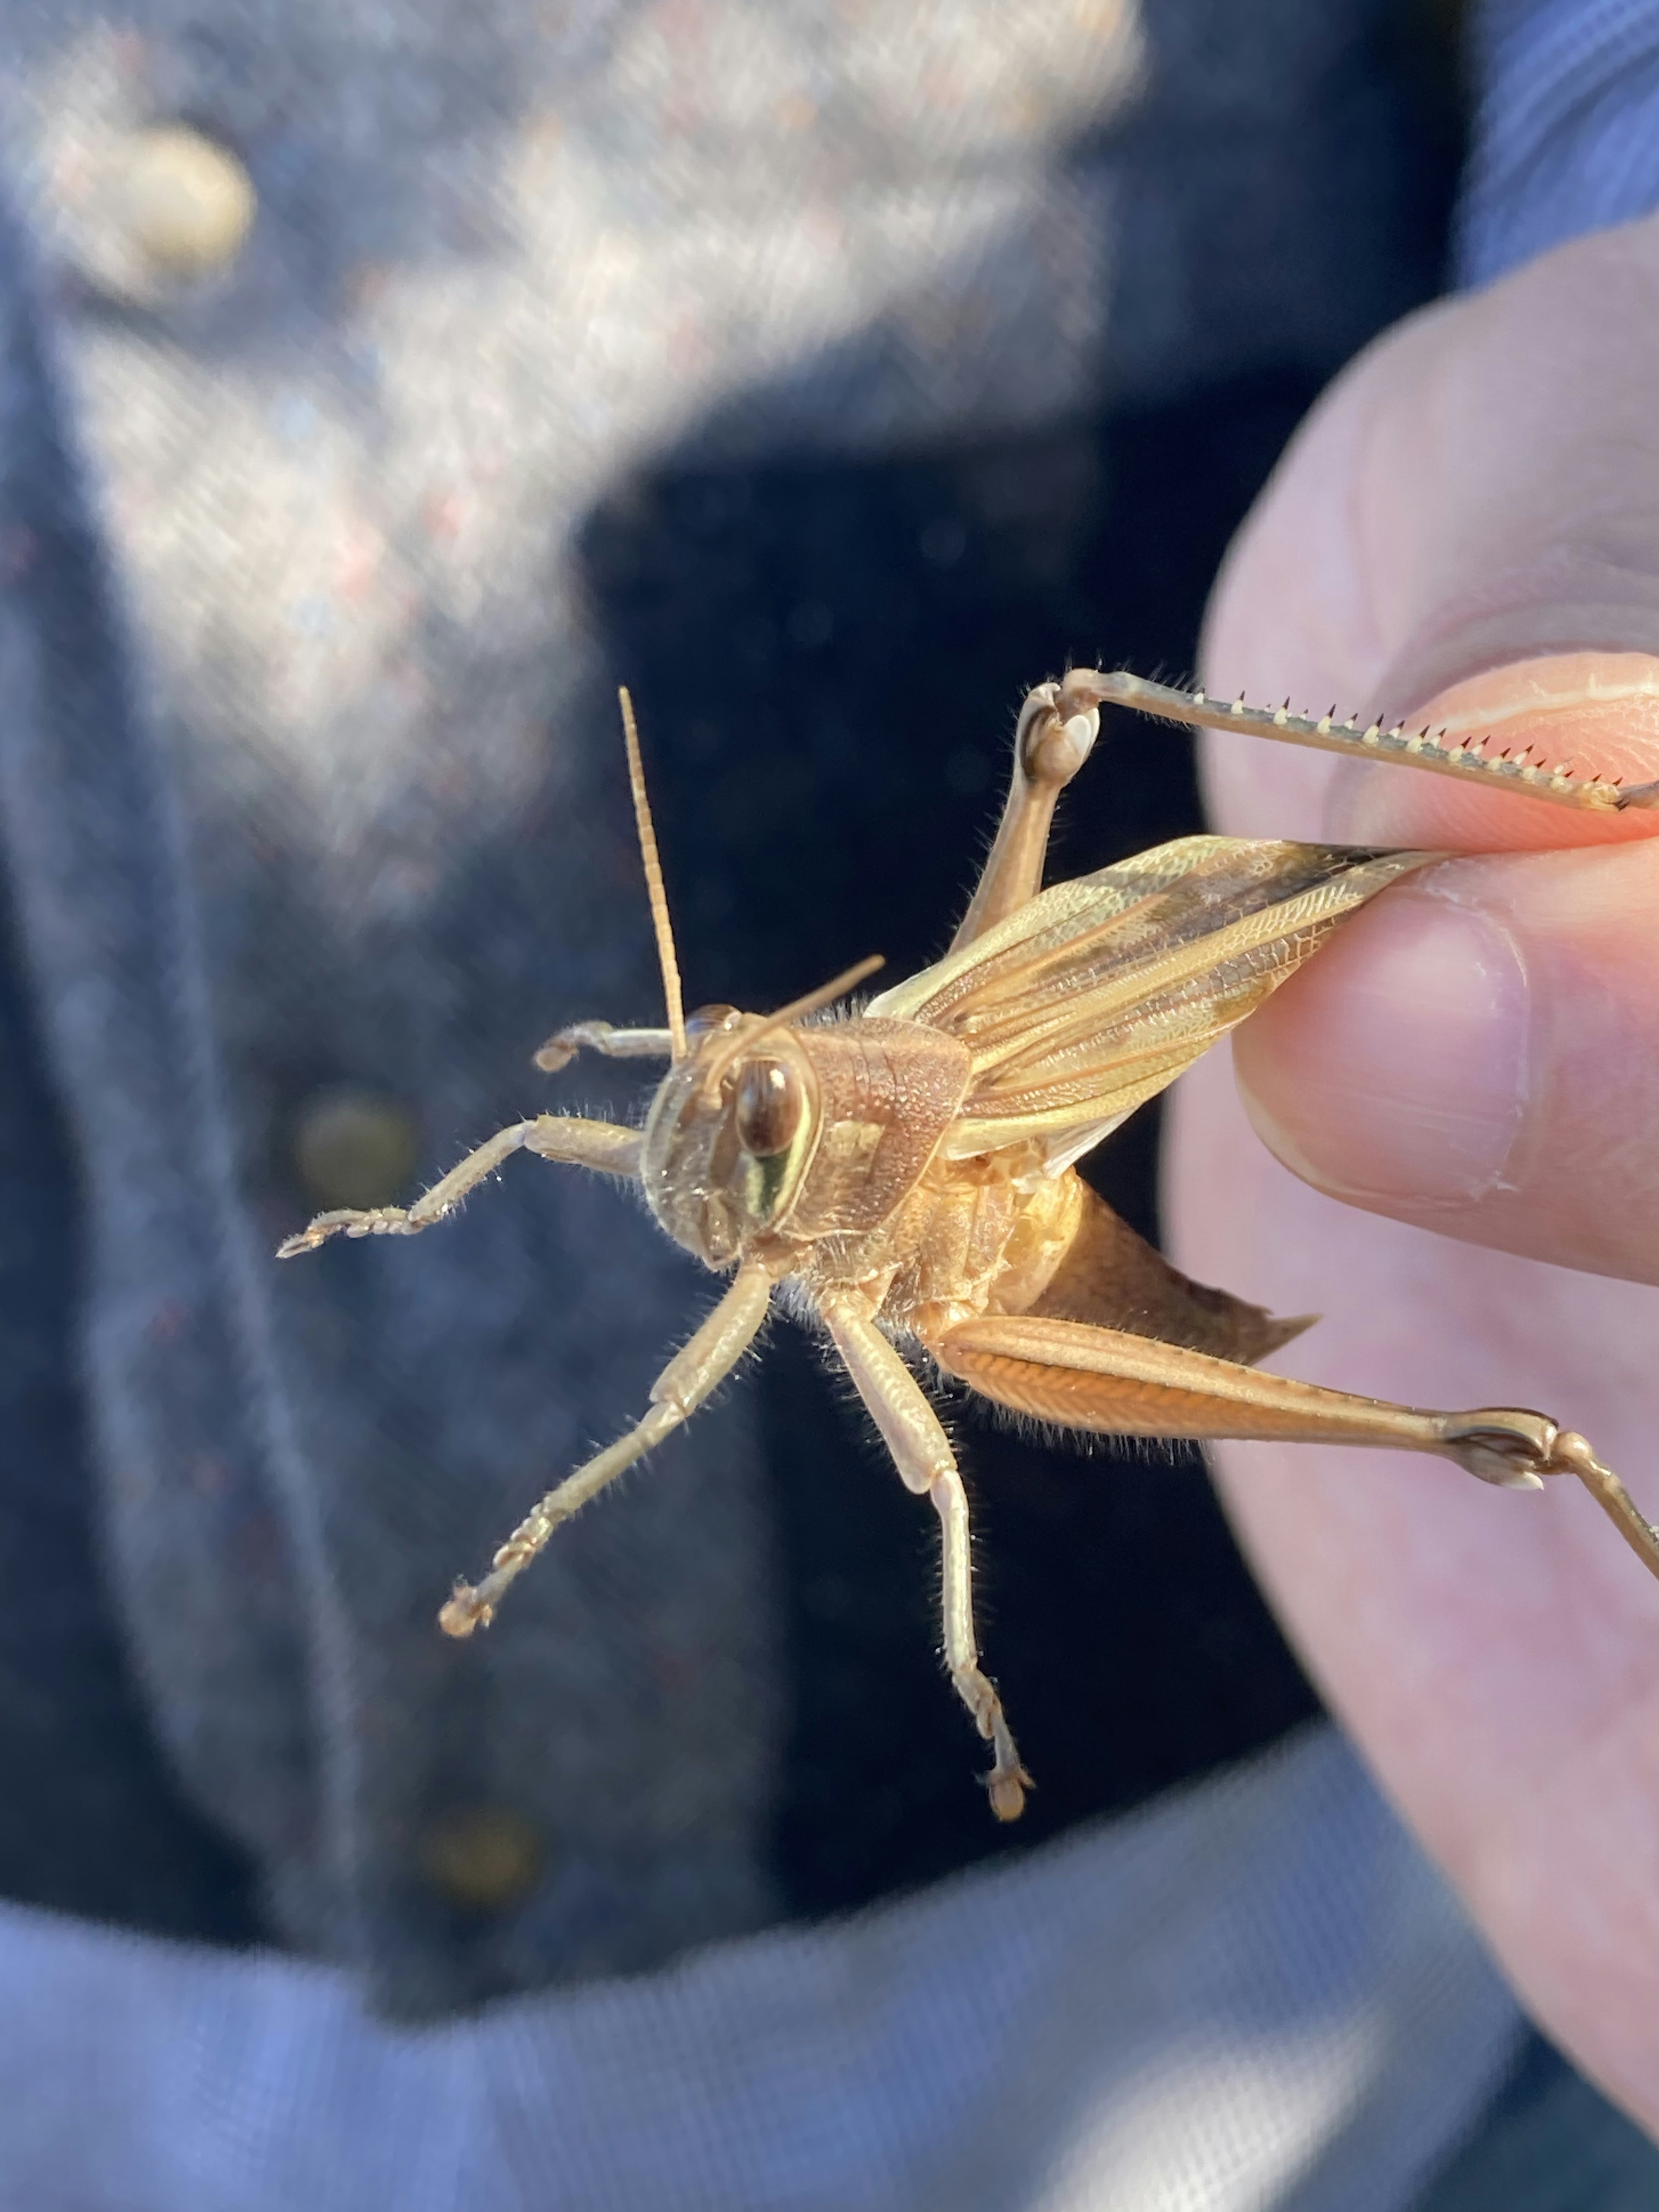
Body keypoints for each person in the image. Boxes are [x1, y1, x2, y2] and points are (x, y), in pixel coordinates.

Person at [3, 0, 1659, 2204]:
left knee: (1087, 747)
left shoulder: (845, 1172)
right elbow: (595, 1120)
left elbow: (896, 1491)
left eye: (729, 1113)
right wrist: (542, 1124)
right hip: (103, 2016)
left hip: (1249, 1919)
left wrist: (1614, 247)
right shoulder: (716, 1129)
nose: (693, 1157)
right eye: (705, 1110)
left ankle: (1546, 783)